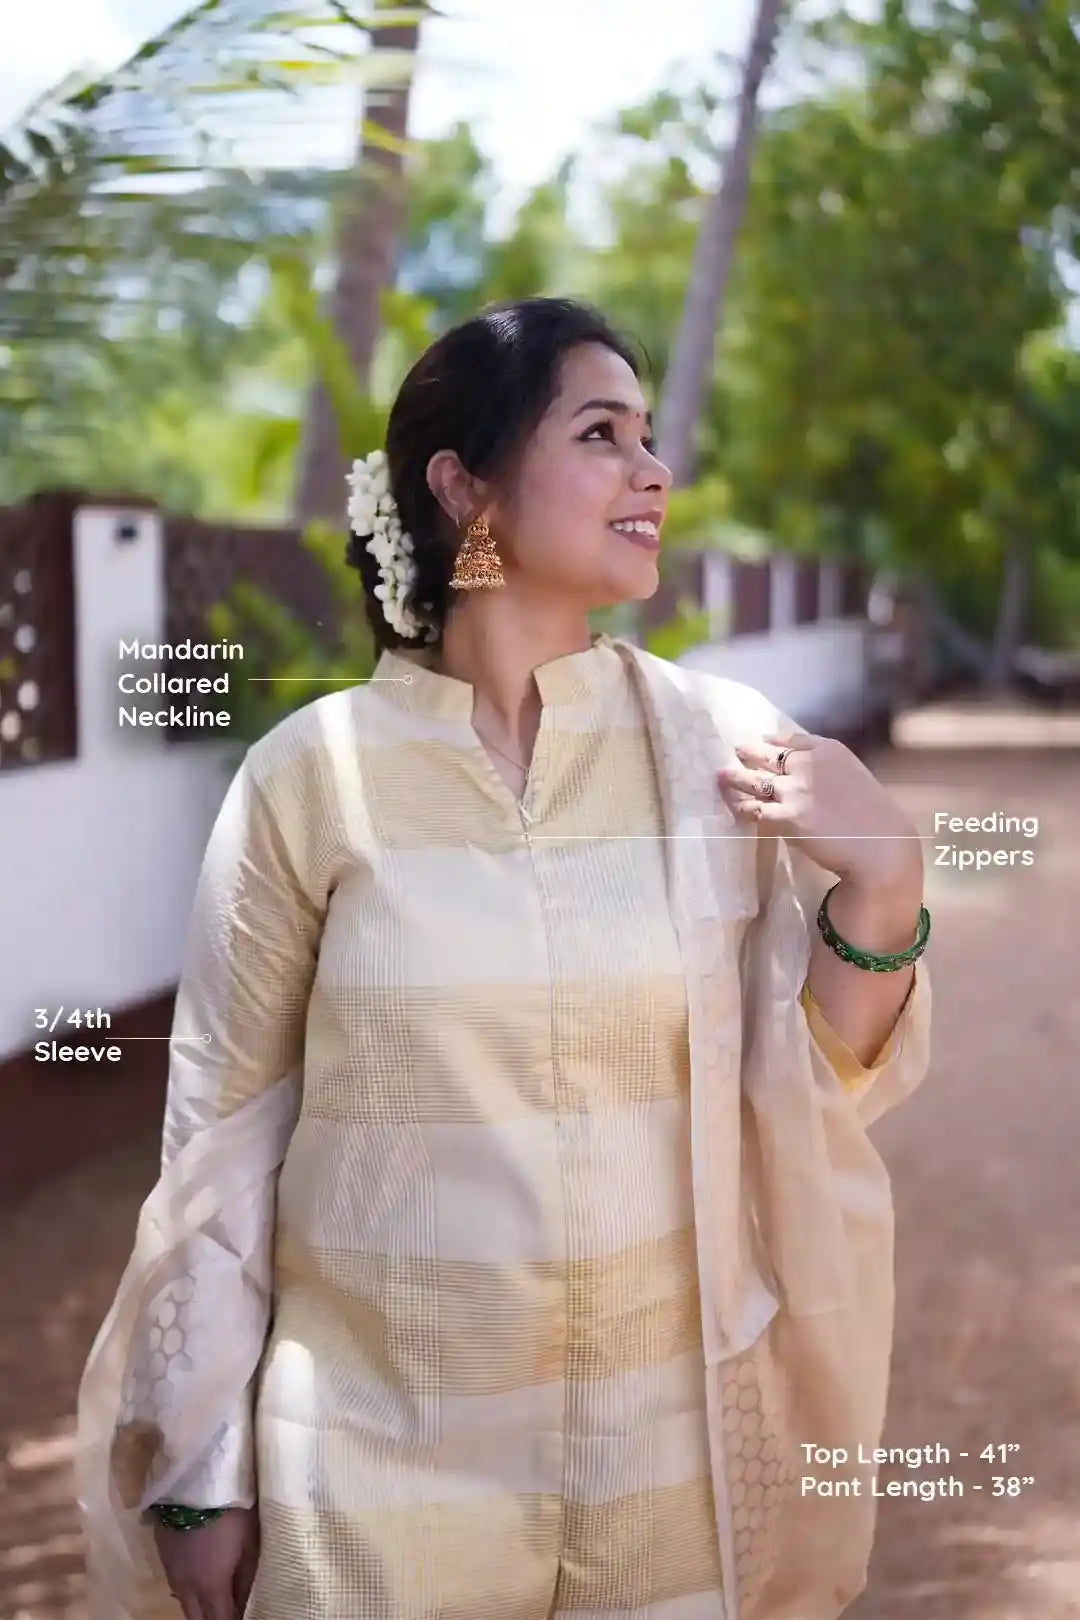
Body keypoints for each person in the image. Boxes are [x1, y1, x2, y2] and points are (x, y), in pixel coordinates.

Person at [77, 296, 931, 1620]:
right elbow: (219, 1142)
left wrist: (886, 880)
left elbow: (811, 1088)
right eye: (601, 434)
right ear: (463, 486)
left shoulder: (722, 751)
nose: (653, 471)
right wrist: (200, 1473)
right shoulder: (312, 780)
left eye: (649, 437)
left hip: (660, 1481)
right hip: (371, 1489)